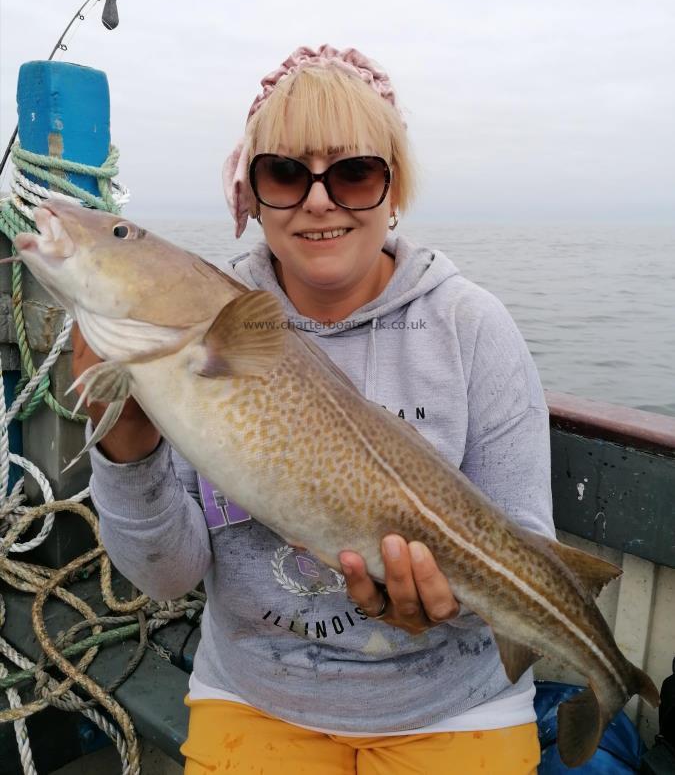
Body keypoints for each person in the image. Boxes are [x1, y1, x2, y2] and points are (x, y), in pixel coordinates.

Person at [75, 44, 554, 774]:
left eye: (355, 172)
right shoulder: (201, 320)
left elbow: (523, 538)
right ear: (251, 192)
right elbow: (165, 578)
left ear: (395, 189)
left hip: (458, 703)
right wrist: (126, 445)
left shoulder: (470, 326)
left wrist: (449, 599)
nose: (319, 199)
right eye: (285, 173)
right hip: (255, 698)